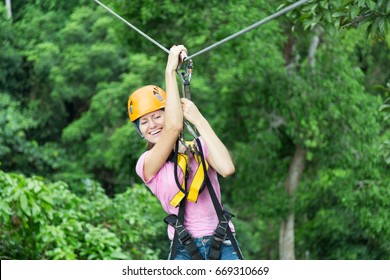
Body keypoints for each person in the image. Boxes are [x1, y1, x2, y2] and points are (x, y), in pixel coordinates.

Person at [128, 45, 243, 260]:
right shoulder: (146, 164)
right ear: (140, 131)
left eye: (157, 116)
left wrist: (198, 119)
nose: (152, 125)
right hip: (184, 249)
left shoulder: (198, 147)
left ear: (169, 113)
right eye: (144, 122)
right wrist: (169, 71)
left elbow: (227, 169)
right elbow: (173, 128)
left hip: (223, 243)